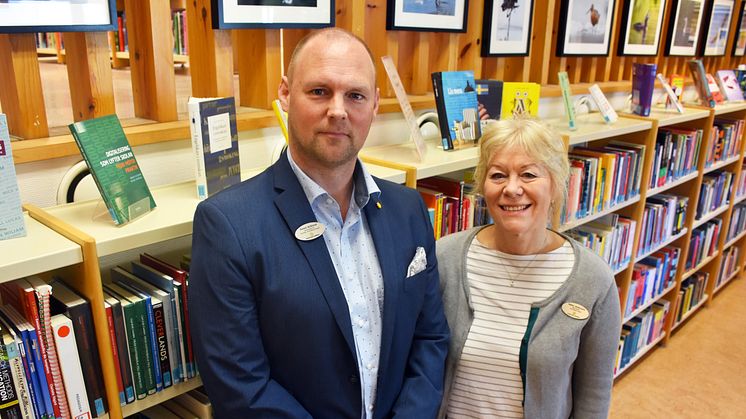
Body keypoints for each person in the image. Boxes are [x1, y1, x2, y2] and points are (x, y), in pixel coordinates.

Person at [189, 28, 449, 418]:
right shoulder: (228, 225)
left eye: (355, 95)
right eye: (319, 91)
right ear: (285, 93)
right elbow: (240, 385)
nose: (338, 110)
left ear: (375, 104)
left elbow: (429, 339)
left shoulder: (409, 208)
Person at [436, 118, 621, 418]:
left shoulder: (593, 282)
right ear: (483, 185)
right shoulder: (445, 257)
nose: (512, 189)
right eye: (498, 175)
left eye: (528, 174)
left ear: (555, 183)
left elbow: (594, 396)